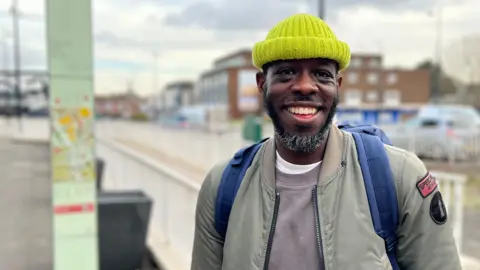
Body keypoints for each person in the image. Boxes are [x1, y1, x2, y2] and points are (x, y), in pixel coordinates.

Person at [191, 13, 461, 270]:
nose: (306, 86)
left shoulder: (400, 177)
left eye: (321, 74)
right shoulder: (222, 188)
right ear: (262, 84)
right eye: (286, 72)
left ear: (338, 86)